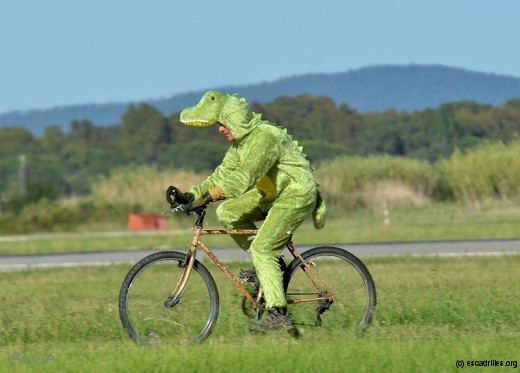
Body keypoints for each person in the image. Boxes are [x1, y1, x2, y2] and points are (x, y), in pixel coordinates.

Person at [167, 91, 326, 332]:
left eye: (222, 123)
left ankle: (278, 312)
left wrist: (210, 197)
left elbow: (244, 178)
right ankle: (271, 268)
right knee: (228, 212)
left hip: (295, 193)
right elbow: (221, 175)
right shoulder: (239, 146)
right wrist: (190, 196)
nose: (220, 129)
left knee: (263, 249)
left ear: (233, 119)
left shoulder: (265, 138)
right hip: (273, 193)